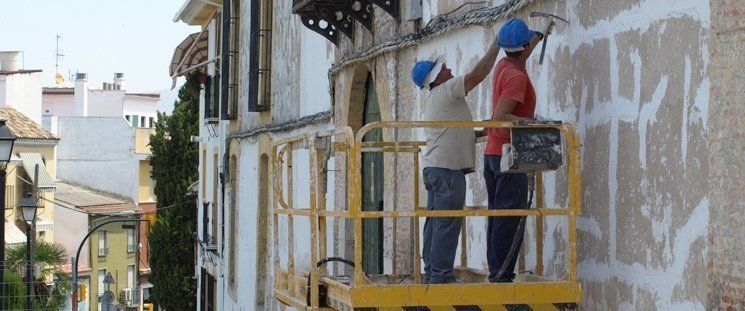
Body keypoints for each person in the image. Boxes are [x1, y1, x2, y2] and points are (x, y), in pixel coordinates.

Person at [411, 34, 501, 284]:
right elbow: (476, 77)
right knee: (447, 224)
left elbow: (449, 132)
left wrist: (477, 133)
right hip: (448, 172)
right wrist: (496, 46)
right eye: (443, 68)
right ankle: (440, 275)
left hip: (436, 169)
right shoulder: (448, 89)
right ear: (435, 77)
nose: (449, 69)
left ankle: (432, 271)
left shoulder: (434, 99)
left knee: (435, 221)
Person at [484, 18, 545, 283]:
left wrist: (538, 37)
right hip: (510, 155)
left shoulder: (504, 65)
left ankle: (497, 271)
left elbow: (520, 55)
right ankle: (502, 275)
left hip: (493, 152)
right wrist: (533, 123)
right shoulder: (517, 77)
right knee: (509, 218)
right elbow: (501, 115)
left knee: (498, 215)